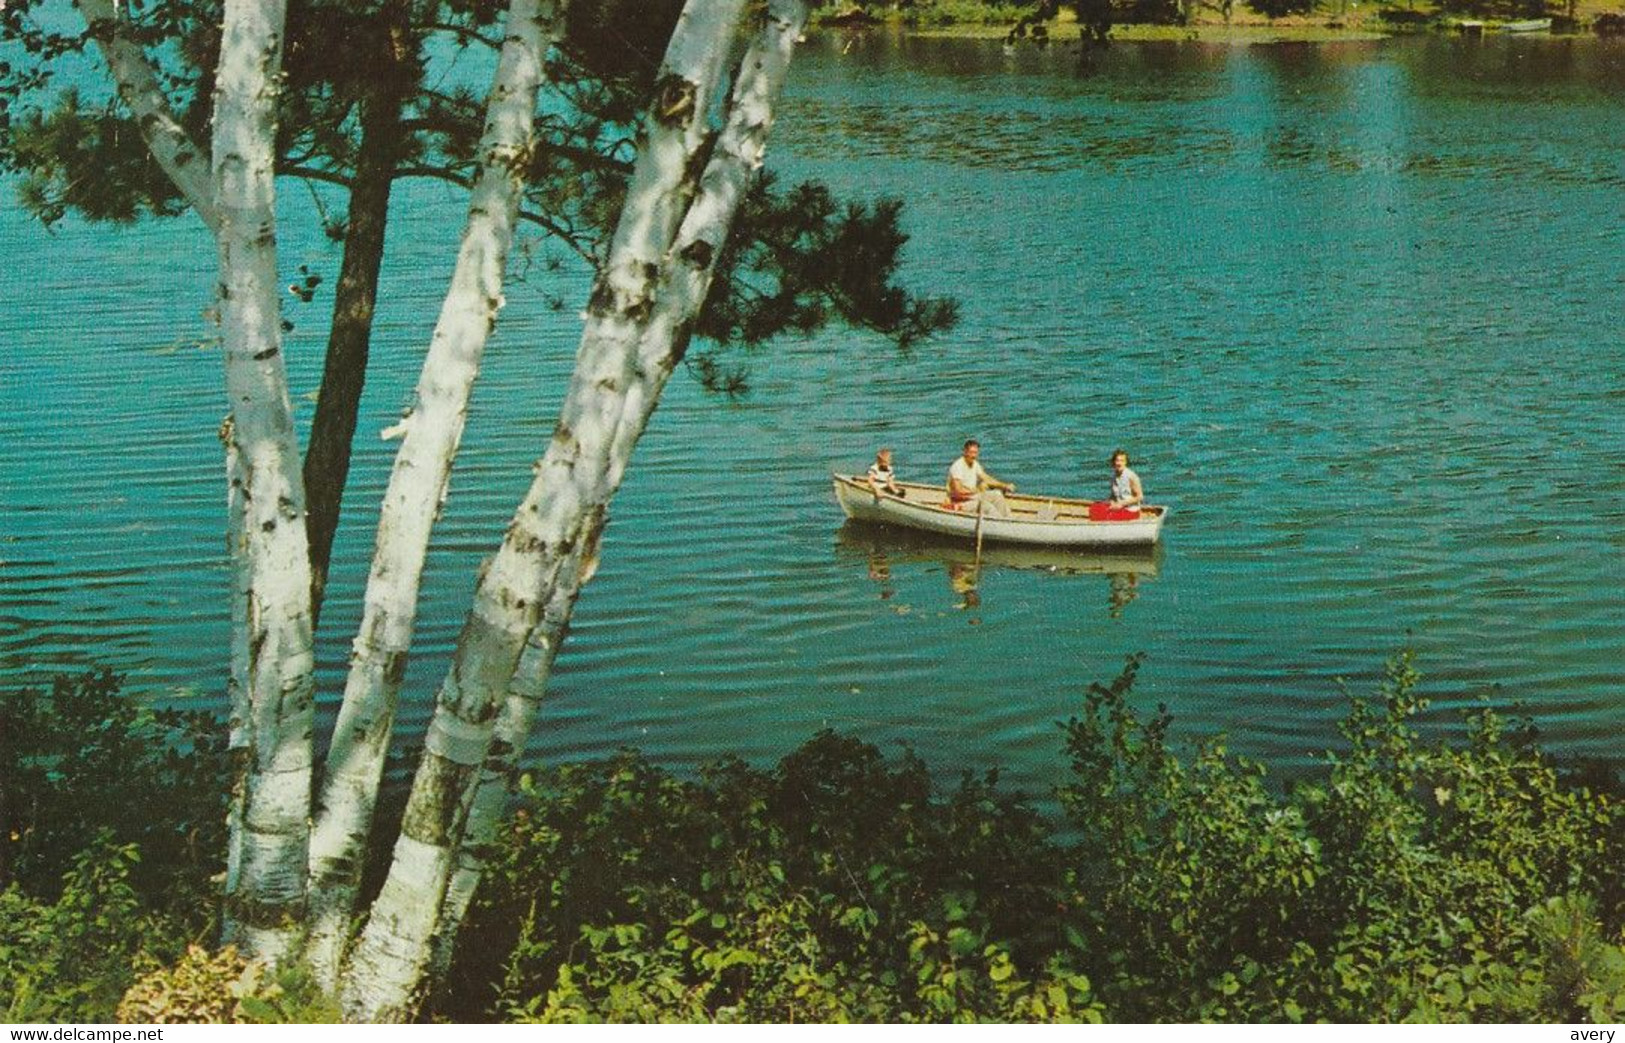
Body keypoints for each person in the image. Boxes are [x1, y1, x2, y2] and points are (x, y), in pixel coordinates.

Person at [947, 439, 1014, 519]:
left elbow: (986, 478)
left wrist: (1004, 485)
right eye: (971, 452)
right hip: (960, 502)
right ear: (965, 452)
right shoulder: (958, 466)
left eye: (975, 453)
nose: (973, 456)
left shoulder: (974, 464)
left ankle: (1008, 519)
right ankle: (1001, 523)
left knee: (997, 494)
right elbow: (958, 491)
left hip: (972, 496)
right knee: (986, 506)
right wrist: (977, 490)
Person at [1101, 449, 1143, 518]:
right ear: (1113, 462)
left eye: (1122, 461)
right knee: (1096, 508)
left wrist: (1121, 503)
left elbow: (1139, 497)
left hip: (1130, 510)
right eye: (1117, 460)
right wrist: (1112, 502)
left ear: (1126, 462)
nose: (1119, 463)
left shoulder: (1131, 476)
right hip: (1119, 508)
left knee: (1106, 516)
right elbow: (1113, 496)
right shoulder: (1114, 477)